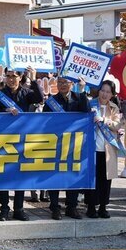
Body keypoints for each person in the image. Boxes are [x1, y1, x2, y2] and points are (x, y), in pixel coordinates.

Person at [0, 67, 44, 221]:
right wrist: (4, 110)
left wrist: (34, 78)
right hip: (4, 140)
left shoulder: (26, 93)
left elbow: (39, 98)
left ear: (20, 77)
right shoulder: (1, 94)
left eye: (14, 76)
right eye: (8, 76)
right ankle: (4, 209)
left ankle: (19, 209)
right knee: (3, 175)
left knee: (20, 175)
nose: (11, 79)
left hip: (21, 139)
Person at [45, 77, 89, 220]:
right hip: (56, 143)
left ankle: (72, 207)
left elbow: (86, 111)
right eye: (60, 82)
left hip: (74, 143)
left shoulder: (79, 98)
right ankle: (55, 207)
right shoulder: (51, 101)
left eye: (66, 82)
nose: (62, 85)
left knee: (73, 173)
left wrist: (82, 89)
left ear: (72, 84)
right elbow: (44, 121)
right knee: (54, 175)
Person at [85, 80, 123, 219]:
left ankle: (103, 207)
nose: (104, 94)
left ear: (112, 94)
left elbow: (117, 125)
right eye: (102, 90)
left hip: (108, 149)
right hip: (92, 148)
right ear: (98, 91)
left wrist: (104, 120)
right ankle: (90, 207)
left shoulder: (114, 107)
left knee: (106, 180)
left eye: (108, 92)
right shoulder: (90, 104)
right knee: (92, 179)